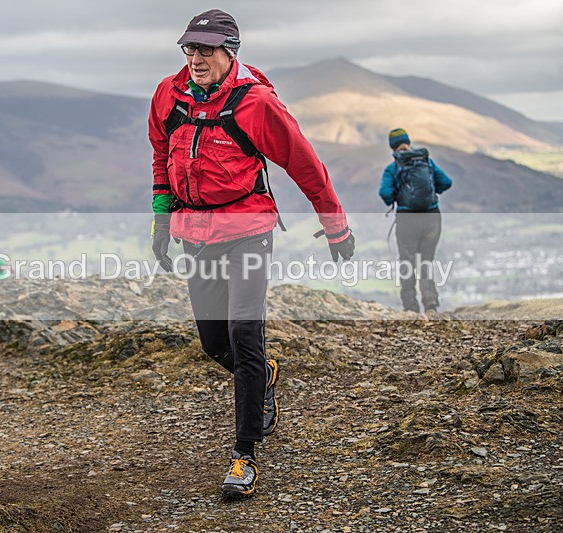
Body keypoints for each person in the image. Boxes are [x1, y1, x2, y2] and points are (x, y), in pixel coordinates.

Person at [148, 9, 355, 498]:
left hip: (248, 230)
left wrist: (336, 227)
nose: (195, 59)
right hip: (195, 231)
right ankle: (263, 373)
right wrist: (161, 220)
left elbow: (306, 165)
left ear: (230, 51)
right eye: (189, 49)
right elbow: (160, 154)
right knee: (214, 344)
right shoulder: (168, 95)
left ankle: (244, 456)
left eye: (206, 50)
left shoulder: (256, 103)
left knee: (244, 335)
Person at [379, 128, 452, 313]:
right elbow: (446, 182)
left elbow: (385, 193)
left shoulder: (393, 168)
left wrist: (398, 196)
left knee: (407, 262)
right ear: (408, 142)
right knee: (426, 260)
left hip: (407, 220)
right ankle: (431, 303)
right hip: (432, 217)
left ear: (392, 148)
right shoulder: (426, 161)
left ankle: (411, 307)